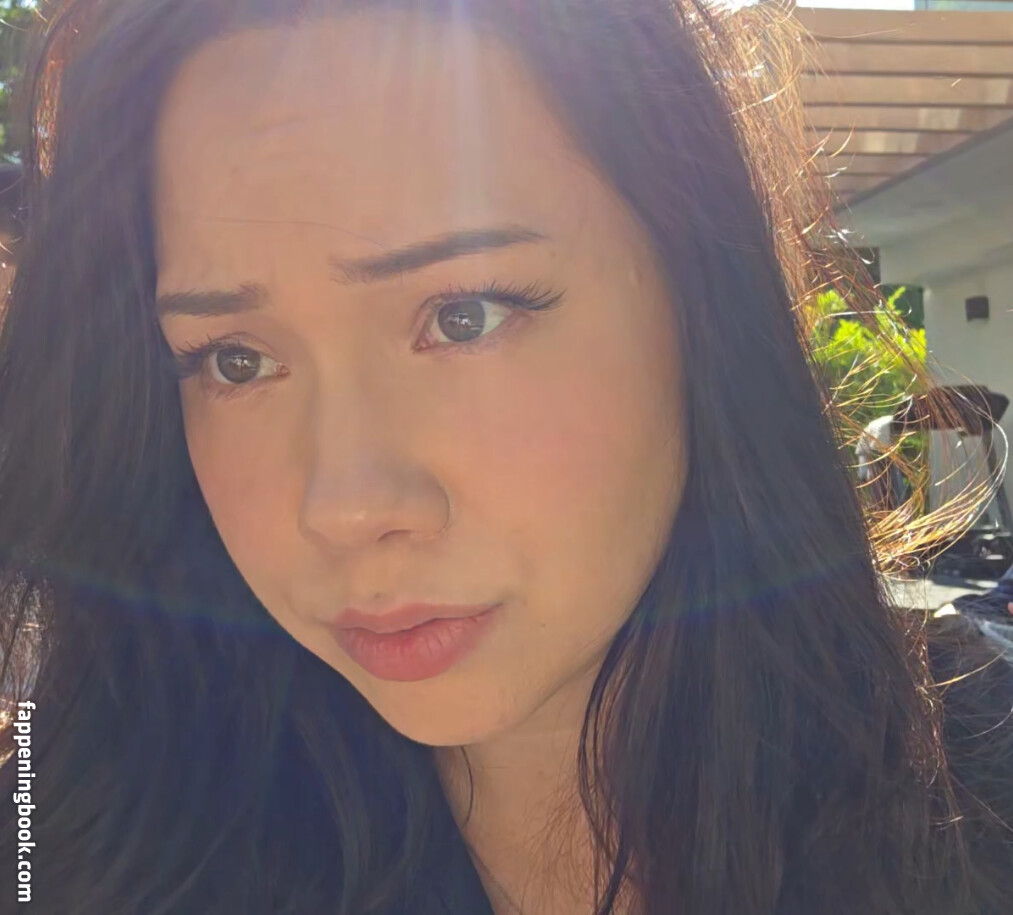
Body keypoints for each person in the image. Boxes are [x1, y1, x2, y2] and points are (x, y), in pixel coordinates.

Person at [1, 2, 1012, 913]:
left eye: (463, 314)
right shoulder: (73, 835)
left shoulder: (975, 781)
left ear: (700, 295)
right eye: (235, 359)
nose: (345, 506)